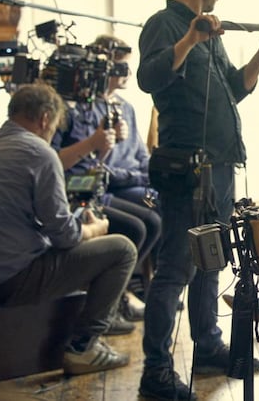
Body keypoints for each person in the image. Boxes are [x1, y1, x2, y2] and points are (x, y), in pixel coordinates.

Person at [135, 0, 259, 399]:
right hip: (187, 171)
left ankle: (207, 346)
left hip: (220, 168)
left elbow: (233, 89)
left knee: (212, 260)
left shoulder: (212, 30)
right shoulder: (164, 25)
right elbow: (149, 78)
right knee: (176, 270)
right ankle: (156, 371)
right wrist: (189, 38)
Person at [0, 83, 137, 375]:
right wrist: (95, 230)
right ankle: (84, 347)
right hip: (7, 280)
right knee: (122, 248)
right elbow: (66, 237)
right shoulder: (39, 153)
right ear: (45, 118)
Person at [50, 35, 161, 328]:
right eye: (118, 68)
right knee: (142, 223)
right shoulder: (75, 109)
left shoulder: (125, 108)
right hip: (92, 189)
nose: (123, 75)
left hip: (122, 182)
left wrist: (143, 173)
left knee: (158, 210)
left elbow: (138, 155)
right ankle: (118, 293)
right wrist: (100, 145)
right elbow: (85, 169)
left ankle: (129, 288)